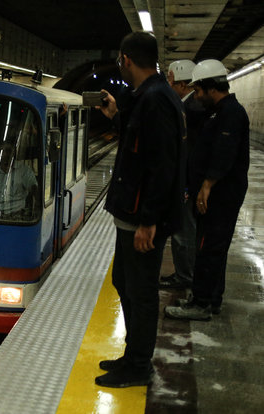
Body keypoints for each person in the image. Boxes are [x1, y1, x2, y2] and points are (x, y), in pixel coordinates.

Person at [94, 32, 186, 388]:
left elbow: (161, 166)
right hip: (131, 215)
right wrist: (118, 116)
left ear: (126, 59)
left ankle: (138, 365)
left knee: (141, 292)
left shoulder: (157, 100)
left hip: (141, 219)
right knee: (125, 283)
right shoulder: (150, 97)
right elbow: (140, 146)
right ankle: (132, 356)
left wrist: (149, 221)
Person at [165, 59, 250, 321]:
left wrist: (206, 186)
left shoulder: (230, 113)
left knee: (207, 247)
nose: (196, 95)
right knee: (213, 247)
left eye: (199, 89)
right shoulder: (219, 111)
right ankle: (211, 299)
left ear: (211, 87)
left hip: (221, 195)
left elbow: (223, 155)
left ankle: (200, 304)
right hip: (217, 193)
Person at [160, 60, 208, 289]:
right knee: (184, 231)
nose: (167, 85)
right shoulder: (191, 107)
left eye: (169, 80)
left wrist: (186, 186)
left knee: (183, 232)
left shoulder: (190, 110)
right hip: (189, 181)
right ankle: (184, 273)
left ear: (181, 84)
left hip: (188, 183)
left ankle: (185, 277)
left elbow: (191, 152)